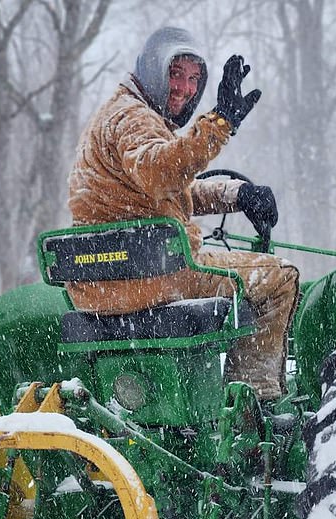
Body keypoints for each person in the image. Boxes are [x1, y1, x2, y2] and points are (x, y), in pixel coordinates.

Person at [67, 26, 299, 405]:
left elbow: (165, 189)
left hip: (105, 280)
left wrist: (238, 194)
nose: (185, 89)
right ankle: (253, 405)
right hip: (152, 275)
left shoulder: (118, 116)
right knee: (279, 278)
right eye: (176, 74)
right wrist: (219, 123)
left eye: (194, 79)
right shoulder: (134, 118)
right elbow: (162, 171)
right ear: (153, 69)